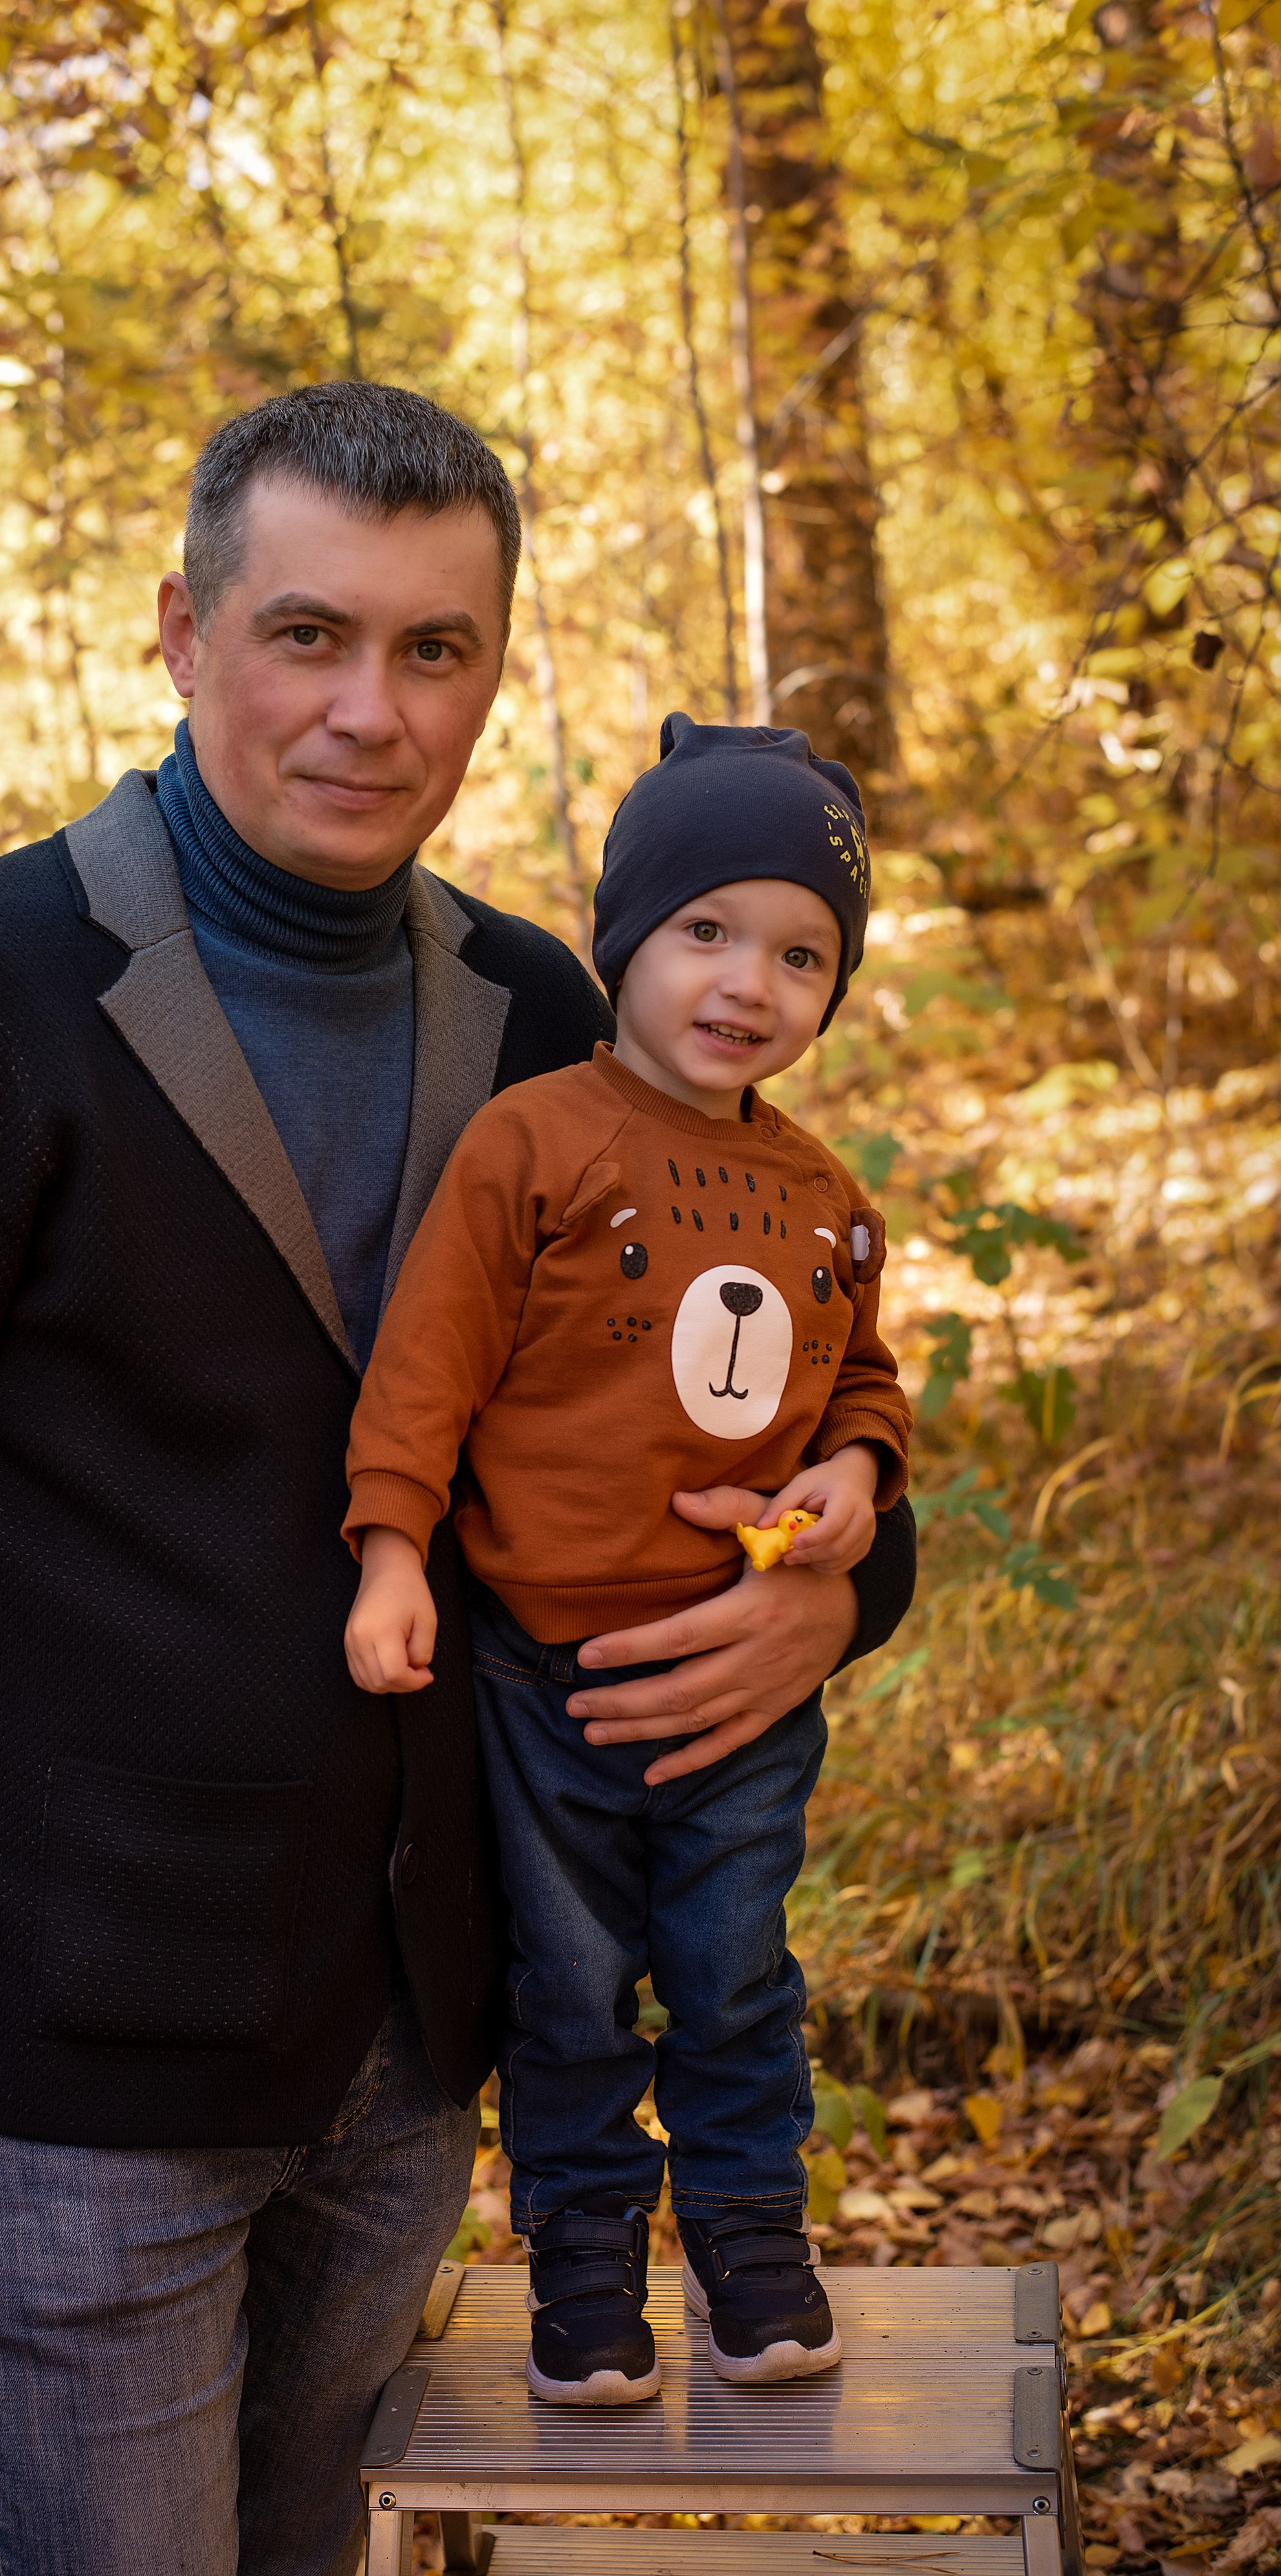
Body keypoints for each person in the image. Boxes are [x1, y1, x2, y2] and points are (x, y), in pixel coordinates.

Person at [0, 389, 918, 2576]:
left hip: (428, 2025)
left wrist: (837, 1596)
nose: (371, 711)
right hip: (80, 2044)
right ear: (182, 633)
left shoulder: (555, 1015)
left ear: (494, 666)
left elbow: (759, 1393)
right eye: (308, 633)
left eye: (437, 650)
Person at [343, 716, 913, 2406]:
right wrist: (391, 1556)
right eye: (705, 932)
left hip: (740, 1677)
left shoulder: (824, 1198)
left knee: (736, 1976)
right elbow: (426, 1367)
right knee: (572, 1989)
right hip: (538, 1679)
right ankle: (583, 2275)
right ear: (624, 941)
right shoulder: (533, 1141)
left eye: (800, 953)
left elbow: (862, 1379)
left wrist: (854, 1474)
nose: (748, 982)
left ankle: (752, 2250)